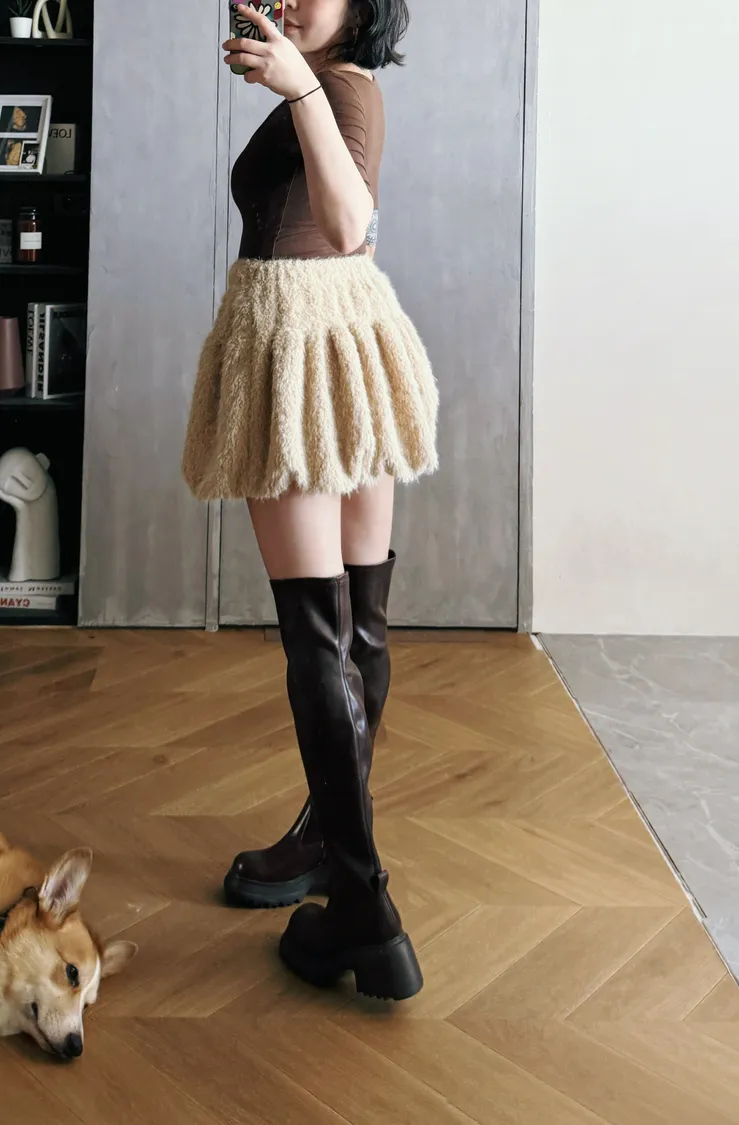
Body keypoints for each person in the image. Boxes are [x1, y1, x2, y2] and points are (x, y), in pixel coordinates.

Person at [182, 0, 438, 1002]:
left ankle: (366, 911)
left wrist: (297, 87)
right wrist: (296, 81)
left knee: (320, 638)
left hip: (299, 339)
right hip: (348, 332)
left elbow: (346, 225)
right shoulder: (339, 84)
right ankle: (329, 844)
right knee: (358, 625)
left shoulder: (336, 87)